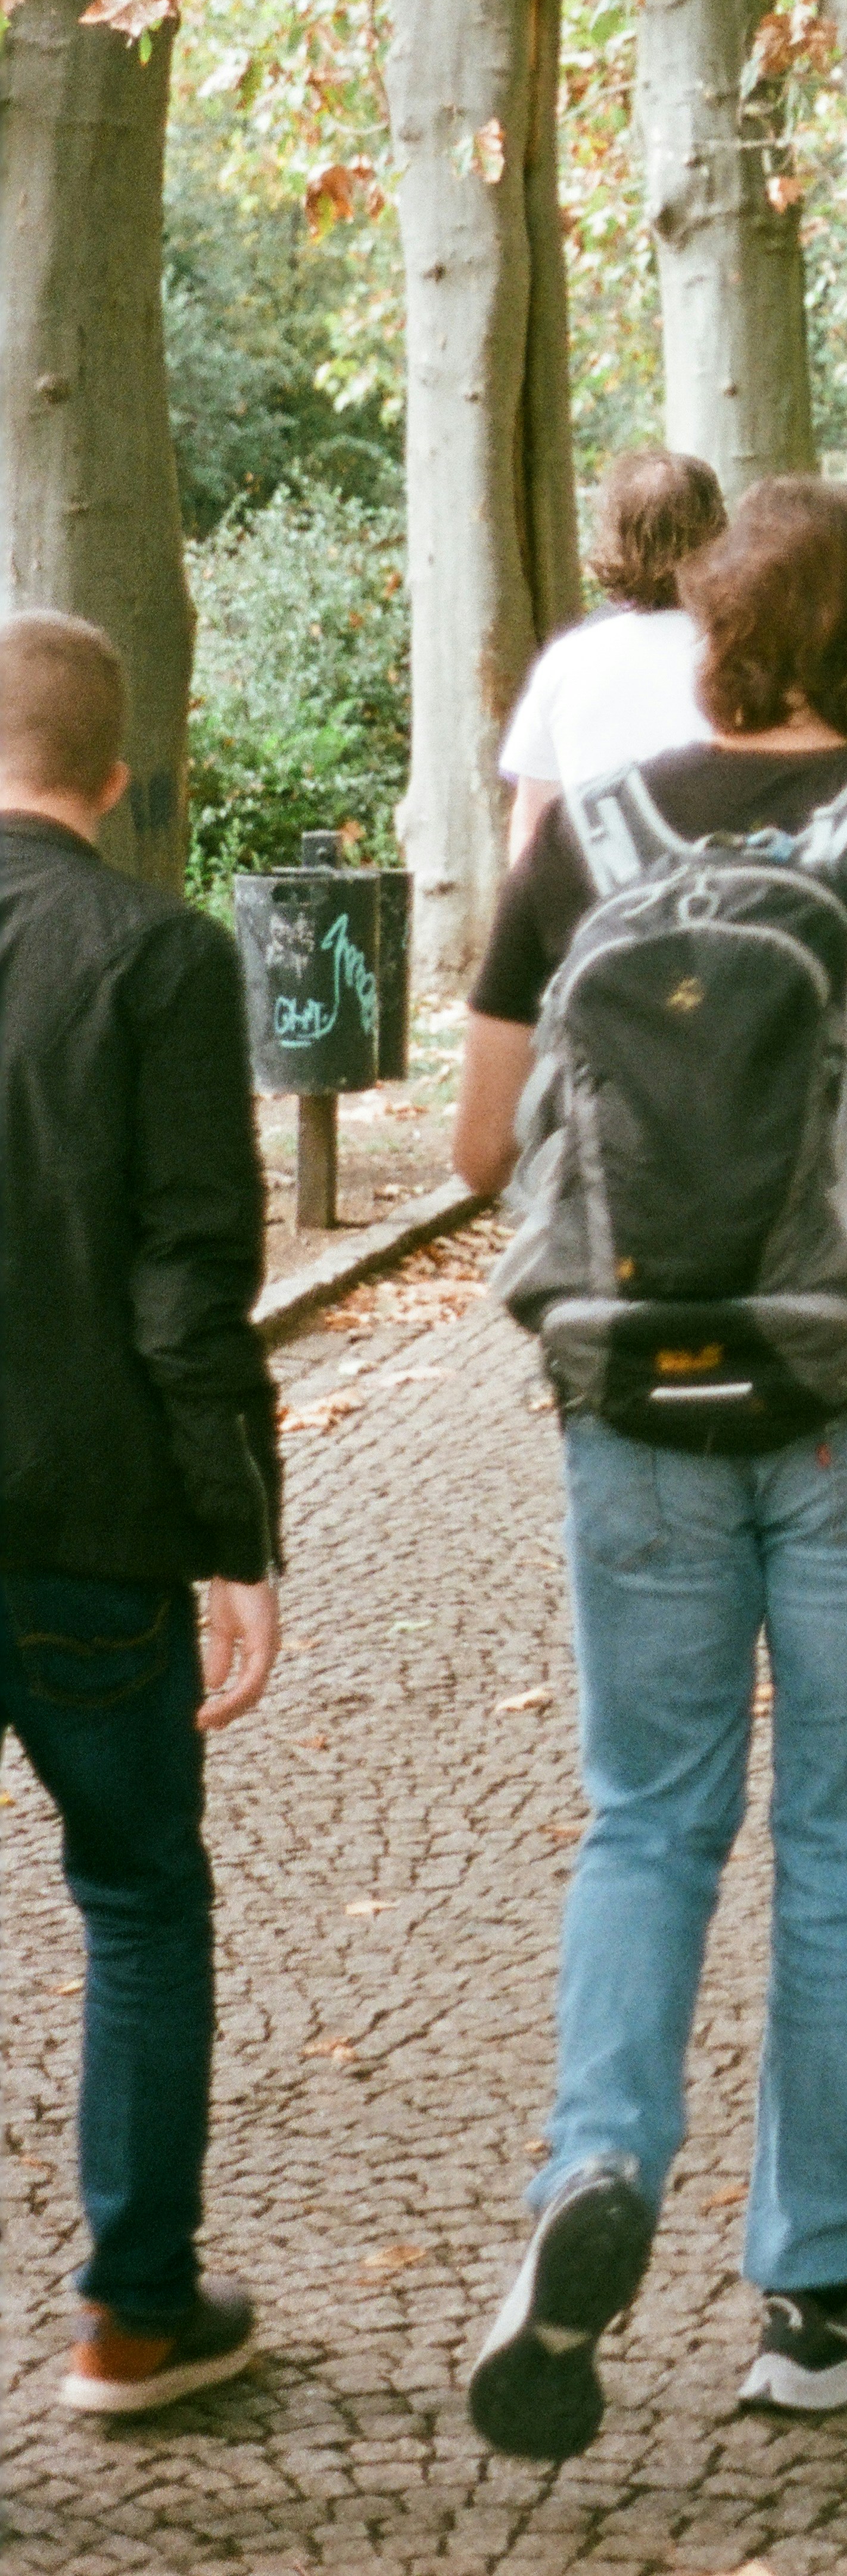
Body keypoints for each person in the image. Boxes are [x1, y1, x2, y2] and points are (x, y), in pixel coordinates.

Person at [452, 480, 847, 2455]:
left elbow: (485, 1149)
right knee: (843, 1832)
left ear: (715, 631)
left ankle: (595, 2160)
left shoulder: (588, 831)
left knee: (644, 1815)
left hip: (630, 1394)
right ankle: (815, 2284)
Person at [0, 613, 282, 2419]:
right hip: (86, 1515)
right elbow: (190, 1277)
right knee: (139, 1897)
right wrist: (237, 1528)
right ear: (121, 769)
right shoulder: (159, 957)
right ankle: (134, 2307)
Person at [499, 448, 727, 856]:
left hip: (597, 908)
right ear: (718, 536)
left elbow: (531, 826)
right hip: (725, 903)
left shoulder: (567, 663)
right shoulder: (751, 658)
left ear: (615, 538)